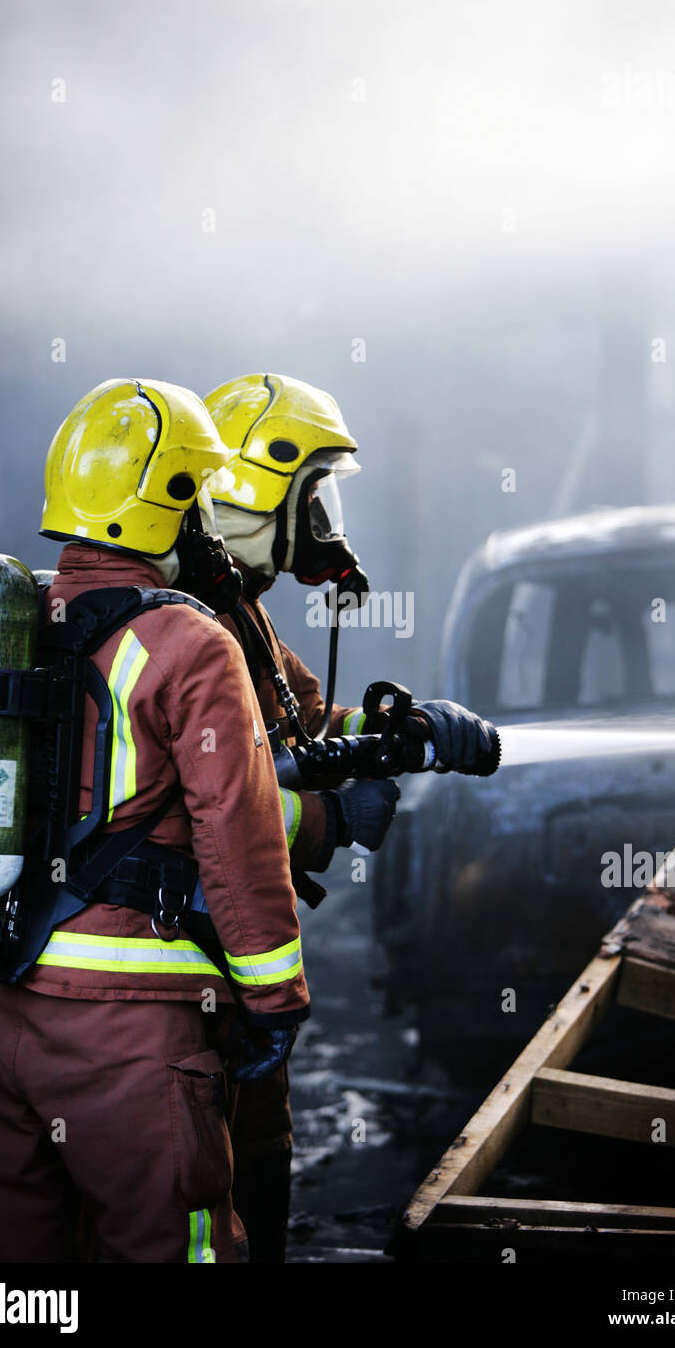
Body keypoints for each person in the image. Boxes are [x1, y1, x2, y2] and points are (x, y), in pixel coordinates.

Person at [0, 377, 310, 1264]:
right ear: (173, 506)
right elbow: (240, 839)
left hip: (2, 1017)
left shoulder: (15, 623)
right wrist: (275, 1004)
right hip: (128, 1037)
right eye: (200, 497)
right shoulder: (193, 644)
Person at [197, 371, 495, 1261]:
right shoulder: (184, 628)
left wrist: (402, 732)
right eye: (312, 491)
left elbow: (300, 733)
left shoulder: (240, 613)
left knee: (254, 1169)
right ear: (260, 489)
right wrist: (325, 820)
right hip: (183, 972)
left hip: (226, 972)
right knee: (194, 1201)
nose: (323, 517)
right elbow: (207, 807)